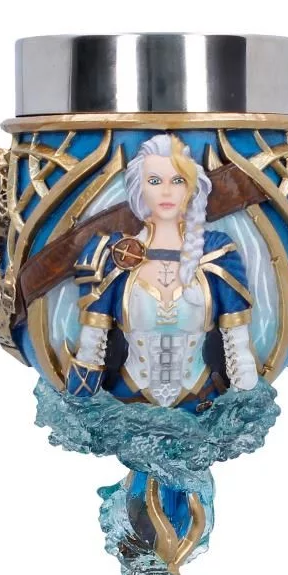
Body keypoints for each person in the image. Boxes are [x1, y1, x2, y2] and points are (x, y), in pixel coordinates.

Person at [65, 134, 259, 410]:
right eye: (155, 181)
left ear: (191, 188)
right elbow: (91, 348)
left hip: (203, 402)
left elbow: (238, 351)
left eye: (177, 180)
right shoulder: (113, 254)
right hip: (126, 405)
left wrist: (245, 408)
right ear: (139, 187)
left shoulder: (218, 253)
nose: (166, 192)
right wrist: (80, 410)